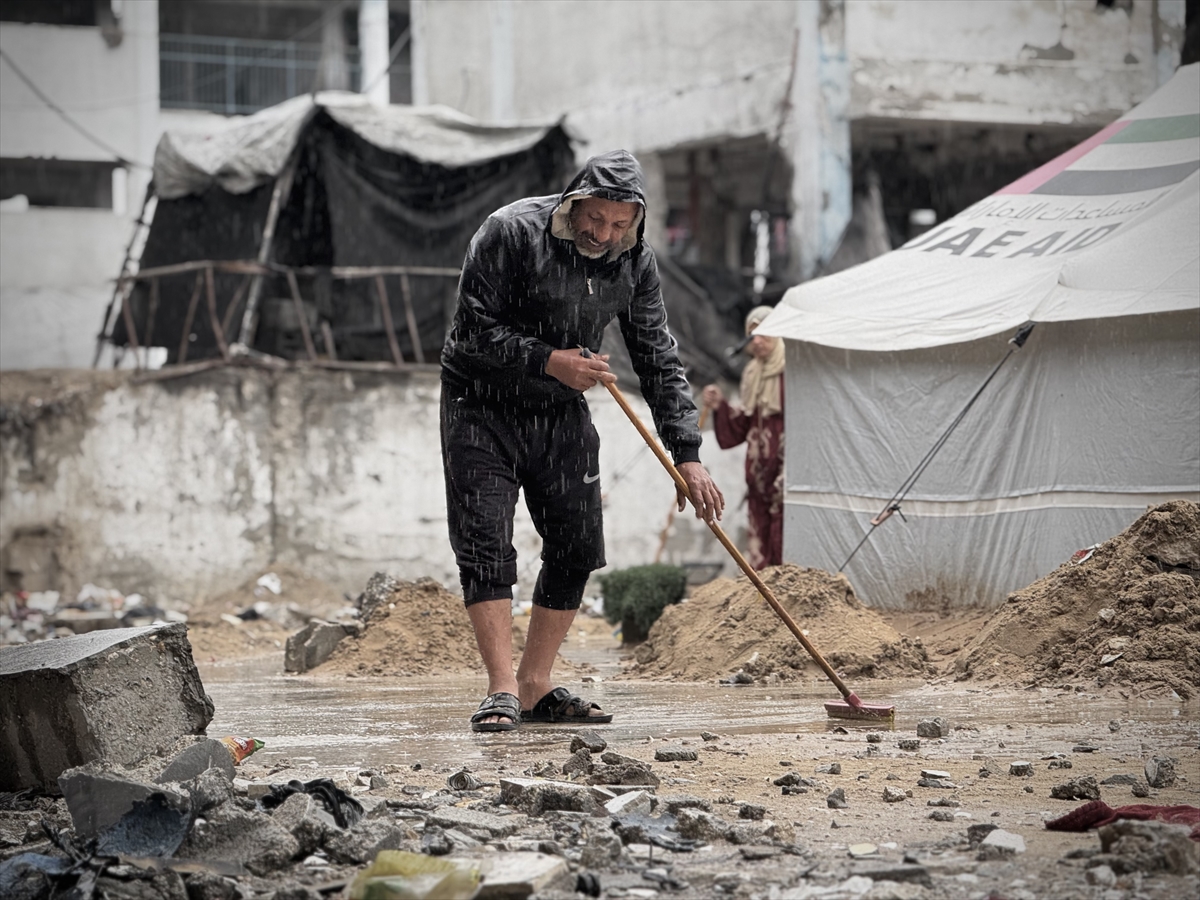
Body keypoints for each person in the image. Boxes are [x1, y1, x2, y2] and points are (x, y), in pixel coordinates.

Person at [440, 149, 725, 733]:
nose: (604, 234)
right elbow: (471, 333)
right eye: (595, 218)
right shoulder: (510, 232)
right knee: (486, 542)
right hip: (481, 406)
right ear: (574, 203)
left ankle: (534, 683)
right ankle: (499, 687)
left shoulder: (634, 262)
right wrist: (547, 360)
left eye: (620, 225)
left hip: (560, 410)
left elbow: (657, 357)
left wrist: (688, 454)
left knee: (576, 542)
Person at [701, 306, 785, 570]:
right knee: (760, 526)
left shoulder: (793, 371)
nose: (757, 341)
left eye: (764, 333)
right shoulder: (752, 373)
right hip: (759, 471)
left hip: (786, 468)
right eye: (752, 335)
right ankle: (764, 588)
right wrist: (721, 406)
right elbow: (745, 425)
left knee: (785, 524)